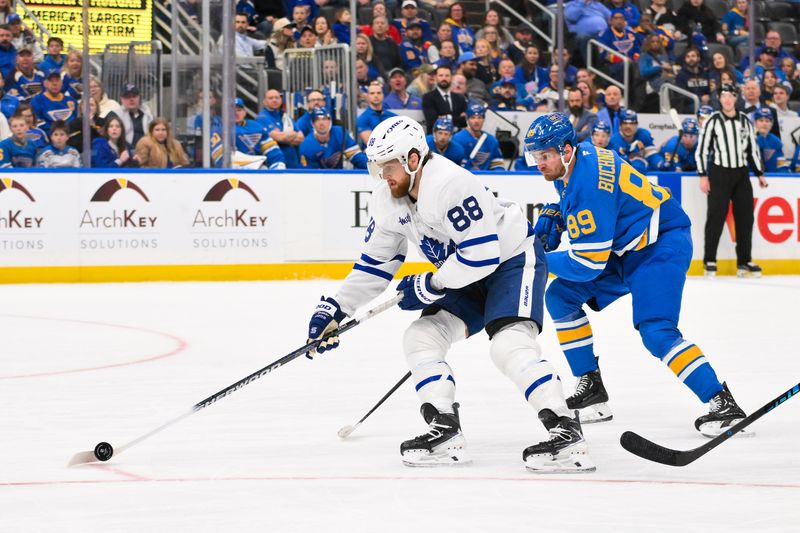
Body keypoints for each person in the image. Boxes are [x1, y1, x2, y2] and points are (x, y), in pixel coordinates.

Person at [305, 115, 594, 472]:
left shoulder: (450, 184)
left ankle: (567, 433)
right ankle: (445, 430)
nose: (382, 176)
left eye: (388, 166)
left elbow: (483, 253)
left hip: (511, 259)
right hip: (462, 271)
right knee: (421, 336)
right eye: (377, 167)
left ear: (413, 159)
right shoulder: (387, 197)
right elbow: (375, 266)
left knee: (508, 345)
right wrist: (334, 309)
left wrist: (430, 285)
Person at [524, 112, 749, 438]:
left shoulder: (588, 186)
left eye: (544, 156)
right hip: (628, 247)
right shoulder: (577, 159)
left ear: (566, 150)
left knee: (656, 331)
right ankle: (592, 391)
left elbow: (587, 264)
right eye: (536, 157)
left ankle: (721, 400)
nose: (540, 163)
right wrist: (558, 210)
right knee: (560, 297)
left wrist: (537, 258)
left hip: (661, 245)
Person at [696, 84, 768, 278]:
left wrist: (759, 173)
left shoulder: (745, 120)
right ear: (719, 99)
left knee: (745, 218)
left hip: (741, 174)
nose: (727, 99)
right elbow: (702, 150)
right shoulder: (712, 121)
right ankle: (709, 260)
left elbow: (752, 149)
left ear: (736, 98)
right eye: (723, 96)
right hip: (719, 173)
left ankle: (744, 261)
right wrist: (703, 175)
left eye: (730, 96)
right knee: (716, 217)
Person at [211, 98, 286, 169]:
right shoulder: (219, 129)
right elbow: (221, 158)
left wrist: (278, 165)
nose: (235, 113)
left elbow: (272, 151)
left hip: (256, 168)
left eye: (239, 110)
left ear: (245, 112)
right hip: (232, 172)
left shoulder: (256, 127)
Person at [299, 107, 367, 169]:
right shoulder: (306, 145)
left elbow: (356, 156)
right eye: (317, 120)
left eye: (324, 119)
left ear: (330, 121)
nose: (321, 123)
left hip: (339, 177)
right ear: (312, 124)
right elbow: (310, 174)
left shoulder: (340, 133)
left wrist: (370, 166)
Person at [257, 88, 303, 168]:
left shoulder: (285, 116)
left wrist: (285, 138)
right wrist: (288, 136)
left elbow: (301, 138)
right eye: (271, 98)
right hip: (276, 165)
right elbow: (279, 137)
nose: (274, 100)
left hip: (294, 164)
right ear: (264, 101)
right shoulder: (262, 117)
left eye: (277, 97)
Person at [453, 102, 504, 171]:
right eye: (473, 118)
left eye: (479, 117)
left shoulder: (491, 140)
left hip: (487, 178)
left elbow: (498, 165)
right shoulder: (458, 139)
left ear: (484, 119)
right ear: (467, 119)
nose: (476, 121)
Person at [29, 69, 78, 135]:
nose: (55, 84)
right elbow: (38, 124)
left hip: (71, 137)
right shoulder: (37, 101)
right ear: (45, 83)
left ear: (61, 83)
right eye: (51, 81)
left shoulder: (71, 100)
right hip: (49, 138)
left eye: (57, 80)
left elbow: (77, 120)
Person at [422, 64, 467, 133]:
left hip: (457, 137)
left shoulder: (459, 98)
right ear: (435, 77)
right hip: (435, 137)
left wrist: (446, 117)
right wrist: (457, 119)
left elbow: (465, 121)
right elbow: (432, 120)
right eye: (441, 75)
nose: (444, 78)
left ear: (451, 77)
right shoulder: (428, 97)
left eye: (447, 75)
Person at [106, 83, 153, 147]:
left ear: (139, 97)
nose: (131, 99)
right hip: (123, 150)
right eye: (127, 97)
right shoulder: (114, 115)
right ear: (121, 99)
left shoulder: (147, 113)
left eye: (134, 96)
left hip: (147, 149)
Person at [357, 80, 397, 145]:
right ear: (367, 96)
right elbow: (371, 144)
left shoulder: (393, 117)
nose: (376, 95)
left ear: (383, 95)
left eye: (379, 93)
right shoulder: (362, 119)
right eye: (372, 93)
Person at [753, 107, 790, 173]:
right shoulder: (748, 140)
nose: (764, 124)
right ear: (755, 123)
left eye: (767, 121)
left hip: (773, 179)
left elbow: (782, 166)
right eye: (761, 120)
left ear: (771, 124)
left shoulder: (776, 142)